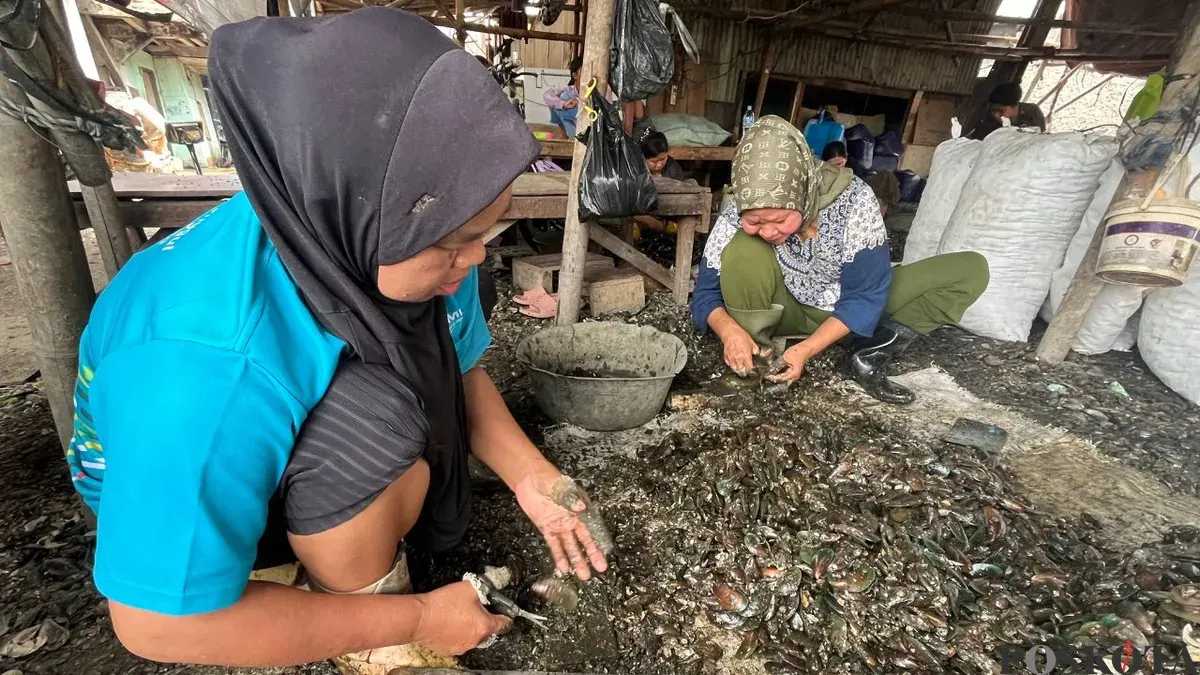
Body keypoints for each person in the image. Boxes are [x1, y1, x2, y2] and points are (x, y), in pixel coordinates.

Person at [66, 9, 607, 671]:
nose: (474, 262)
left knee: (394, 407)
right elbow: (158, 625)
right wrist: (419, 617)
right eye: (456, 243)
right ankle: (358, 628)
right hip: (186, 493)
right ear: (353, 209)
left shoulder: (393, 232)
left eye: (486, 235)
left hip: (263, 439)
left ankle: (341, 571)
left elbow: (459, 372)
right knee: (379, 426)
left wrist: (535, 481)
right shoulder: (197, 364)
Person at [690, 116, 989, 404]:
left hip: (845, 308)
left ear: (803, 194)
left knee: (970, 270)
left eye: (779, 219)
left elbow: (864, 296)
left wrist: (807, 349)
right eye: (754, 221)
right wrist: (730, 331)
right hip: (785, 310)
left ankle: (869, 350)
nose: (767, 231)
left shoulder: (855, 202)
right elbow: (705, 293)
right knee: (742, 246)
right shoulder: (738, 210)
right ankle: (759, 356)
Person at [967, 82, 1046, 140]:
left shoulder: (1032, 114)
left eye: (1000, 111)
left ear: (1014, 106)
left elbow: (1038, 140)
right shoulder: (987, 119)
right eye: (993, 111)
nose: (996, 115)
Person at [545, 56, 583, 137]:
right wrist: (563, 104)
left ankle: (576, 137)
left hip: (590, 127)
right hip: (575, 126)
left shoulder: (601, 90)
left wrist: (580, 105)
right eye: (584, 72)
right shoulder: (569, 92)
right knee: (560, 99)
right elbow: (547, 95)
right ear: (575, 75)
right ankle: (566, 134)